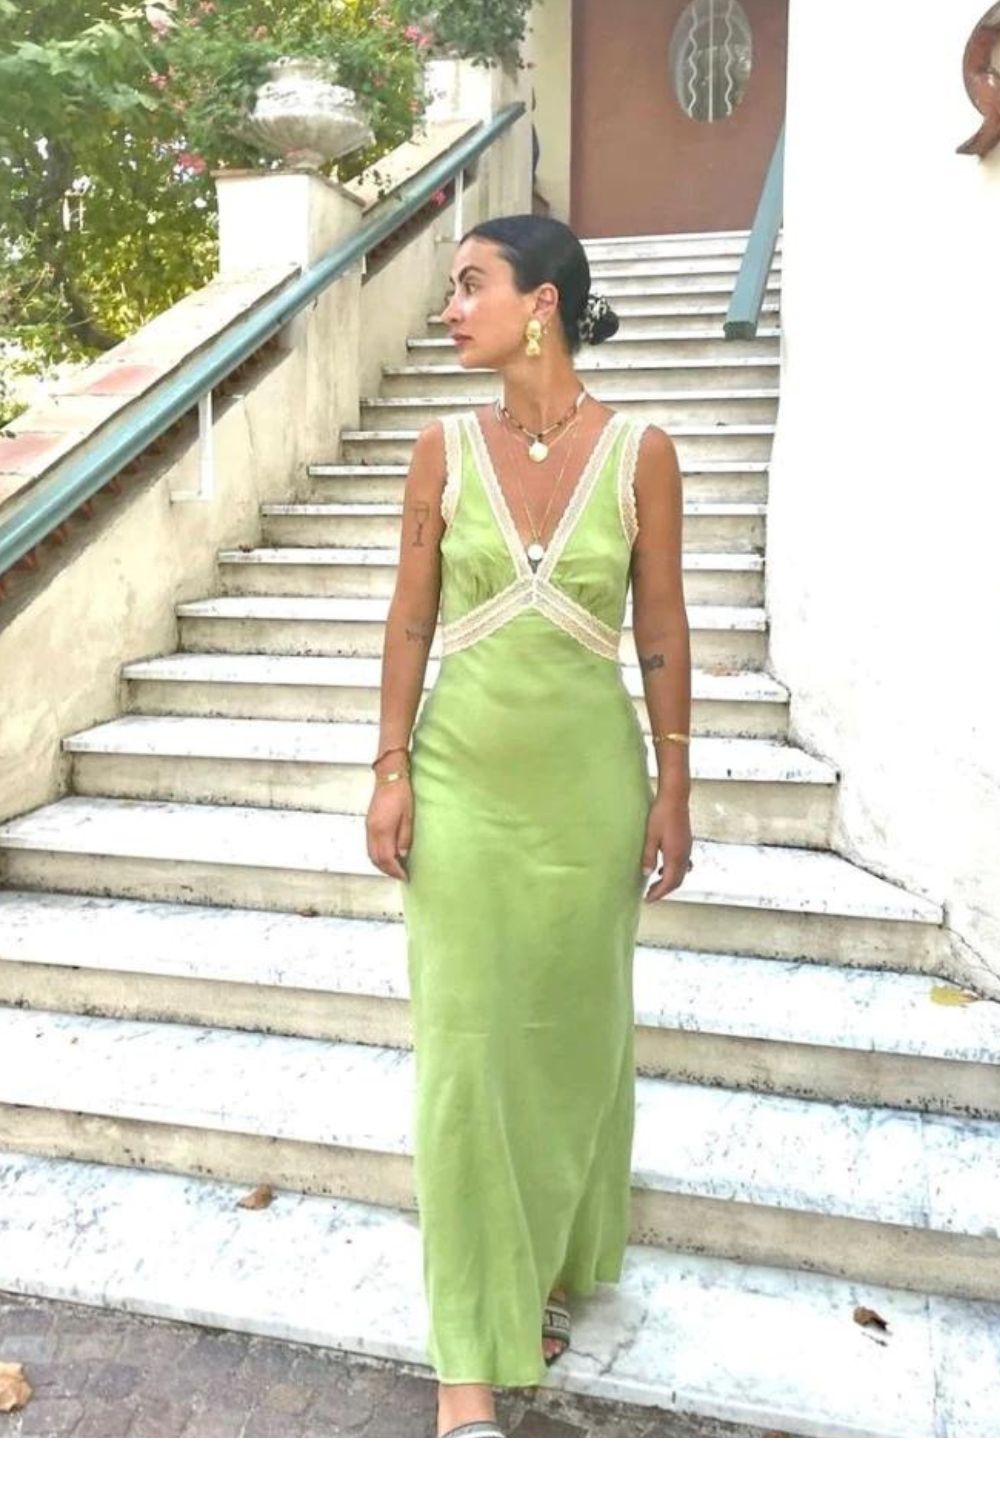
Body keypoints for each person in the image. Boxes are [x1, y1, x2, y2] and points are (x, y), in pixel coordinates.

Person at [365, 213, 693, 1439]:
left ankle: (544, 1267)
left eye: (471, 285)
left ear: (541, 303)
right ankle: (466, 1361)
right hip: (460, 788)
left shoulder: (642, 453)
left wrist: (675, 783)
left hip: (590, 798)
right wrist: (389, 766)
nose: (451, 308)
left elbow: (662, 627)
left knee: (569, 1043)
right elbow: (409, 619)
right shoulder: (440, 449)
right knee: (465, 1056)